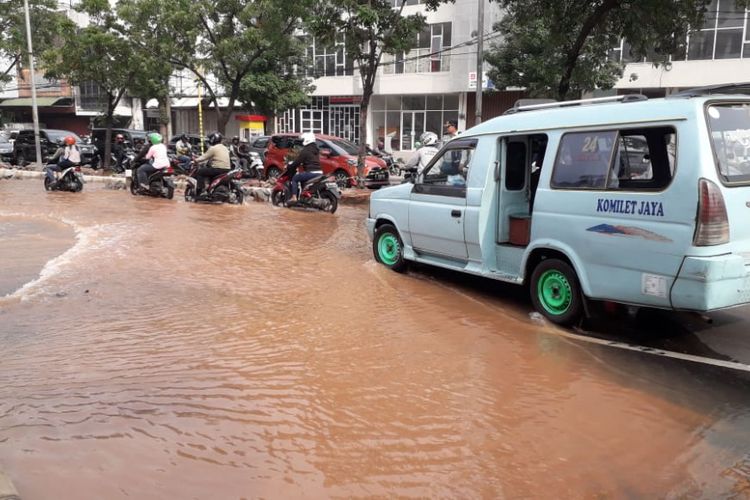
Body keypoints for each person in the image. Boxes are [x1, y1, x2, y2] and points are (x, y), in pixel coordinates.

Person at [286, 132, 322, 204]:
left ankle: (294, 197)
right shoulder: (316, 150)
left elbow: (297, 162)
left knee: (295, 178)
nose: (302, 141)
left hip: (311, 172)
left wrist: (290, 166)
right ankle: (304, 196)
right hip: (319, 172)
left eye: (303, 139)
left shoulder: (305, 151)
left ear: (307, 140)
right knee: (302, 178)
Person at [193, 132, 231, 198]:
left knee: (200, 172)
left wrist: (195, 160)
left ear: (213, 139)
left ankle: (201, 191)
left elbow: (204, 157)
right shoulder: (225, 148)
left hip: (218, 169)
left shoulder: (213, 148)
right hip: (227, 169)